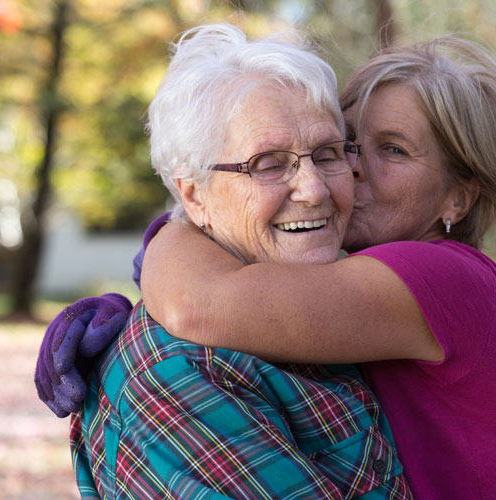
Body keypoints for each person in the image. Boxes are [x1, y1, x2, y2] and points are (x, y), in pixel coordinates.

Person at [37, 32, 496, 499]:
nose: (346, 173)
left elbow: (196, 301)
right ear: (193, 191)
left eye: (394, 150)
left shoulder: (442, 278)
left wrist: (168, 239)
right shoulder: (188, 367)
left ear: (458, 199)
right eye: (351, 144)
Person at [35, 24, 412, 499]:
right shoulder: (182, 372)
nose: (315, 189)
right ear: (194, 196)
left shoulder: (333, 306)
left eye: (328, 153)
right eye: (269, 164)